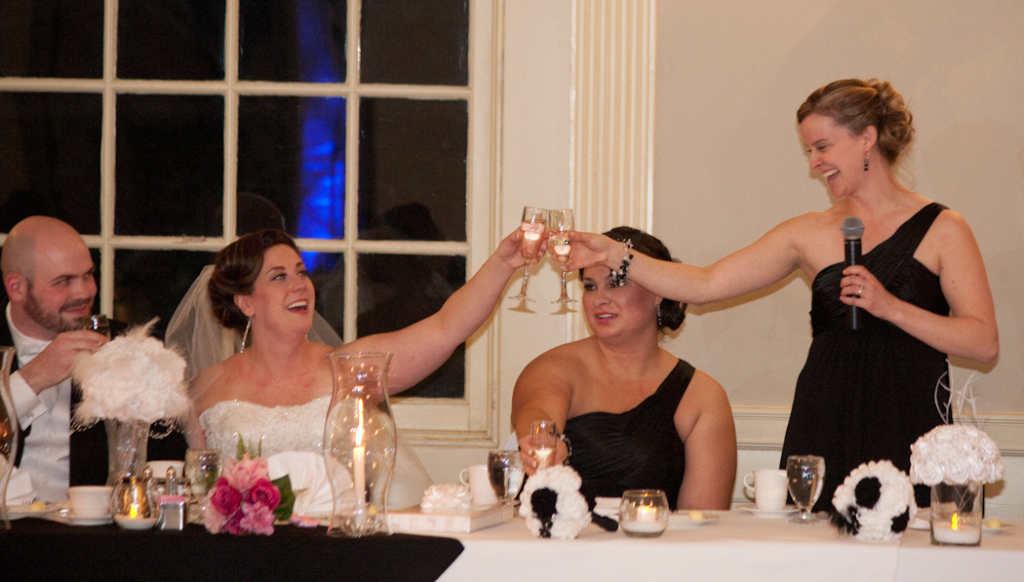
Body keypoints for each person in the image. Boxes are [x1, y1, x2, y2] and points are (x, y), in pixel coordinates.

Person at [568, 79, 999, 511]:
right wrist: (614, 254)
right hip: (827, 418)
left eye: (822, 147)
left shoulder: (945, 229)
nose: (814, 163)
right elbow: (704, 284)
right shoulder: (805, 233)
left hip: (913, 420)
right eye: (809, 150)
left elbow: (983, 343)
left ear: (867, 137)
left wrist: (892, 308)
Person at [167, 227, 541, 510]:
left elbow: (446, 329)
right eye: (280, 276)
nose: (300, 285)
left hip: (339, 550)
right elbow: (200, 494)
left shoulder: (351, 369)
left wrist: (503, 264)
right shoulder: (205, 388)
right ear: (246, 302)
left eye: (301, 272)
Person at [511, 227, 737, 511]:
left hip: (656, 539)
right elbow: (538, 410)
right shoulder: (556, 367)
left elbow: (702, 521)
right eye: (590, 287)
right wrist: (543, 440)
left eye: (616, 283)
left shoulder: (702, 396)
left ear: (659, 291)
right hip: (554, 537)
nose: (599, 299)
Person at [2, 216, 186, 502]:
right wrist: (31, 379)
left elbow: (167, 459)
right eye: (64, 281)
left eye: (88, 275)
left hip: (93, 527)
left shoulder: (126, 346)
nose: (85, 292)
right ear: (16, 287)